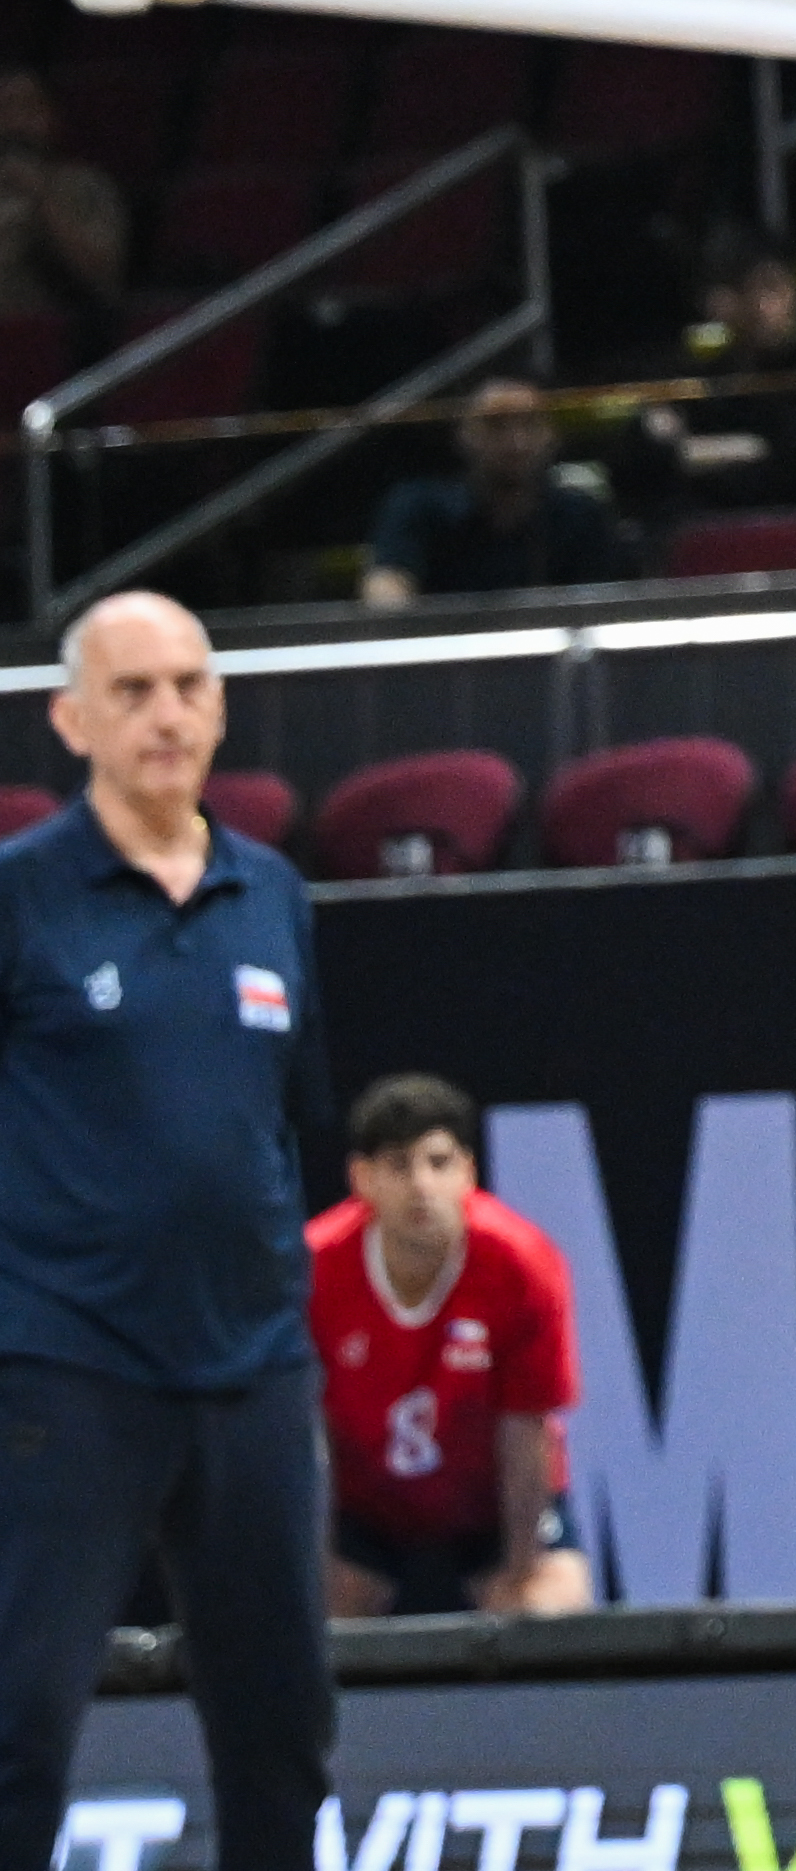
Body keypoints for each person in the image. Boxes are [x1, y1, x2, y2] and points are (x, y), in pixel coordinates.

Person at [0, 593, 332, 1871]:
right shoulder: (26, 895)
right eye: (132, 689)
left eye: (190, 683)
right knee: (21, 1717)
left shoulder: (274, 893)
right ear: (70, 717)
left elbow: (293, 1121)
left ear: (221, 703)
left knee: (283, 1728)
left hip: (250, 1366)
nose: (167, 712)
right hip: (67, 1366)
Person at [306, 1076, 587, 1618]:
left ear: (468, 1172)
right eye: (399, 1165)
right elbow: (304, 1431)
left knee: (552, 1610)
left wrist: (520, 1571)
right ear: (361, 1178)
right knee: (306, 1622)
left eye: (439, 1163)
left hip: (489, 1508)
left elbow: (526, 1428)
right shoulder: (313, 1269)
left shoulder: (523, 1264)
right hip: (366, 1506)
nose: (421, 1186)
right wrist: (315, 1564)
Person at [650, 225, 796, 511]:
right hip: (727, 517)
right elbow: (660, 447)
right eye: (749, 291)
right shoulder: (712, 374)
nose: (764, 306)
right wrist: (734, 449)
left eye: (774, 288)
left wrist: (720, 452)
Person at [361, 376, 637, 602]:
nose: (516, 442)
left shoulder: (582, 515)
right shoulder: (418, 506)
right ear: (464, 434)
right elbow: (386, 588)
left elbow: (606, 606)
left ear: (550, 435)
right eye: (496, 425)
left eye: (529, 424)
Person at [0, 65, 138, 326]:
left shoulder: (83, 185)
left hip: (35, 338)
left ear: (51, 116)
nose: (14, 121)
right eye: (4, 110)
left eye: (26, 108)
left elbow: (102, 277)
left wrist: (42, 199)